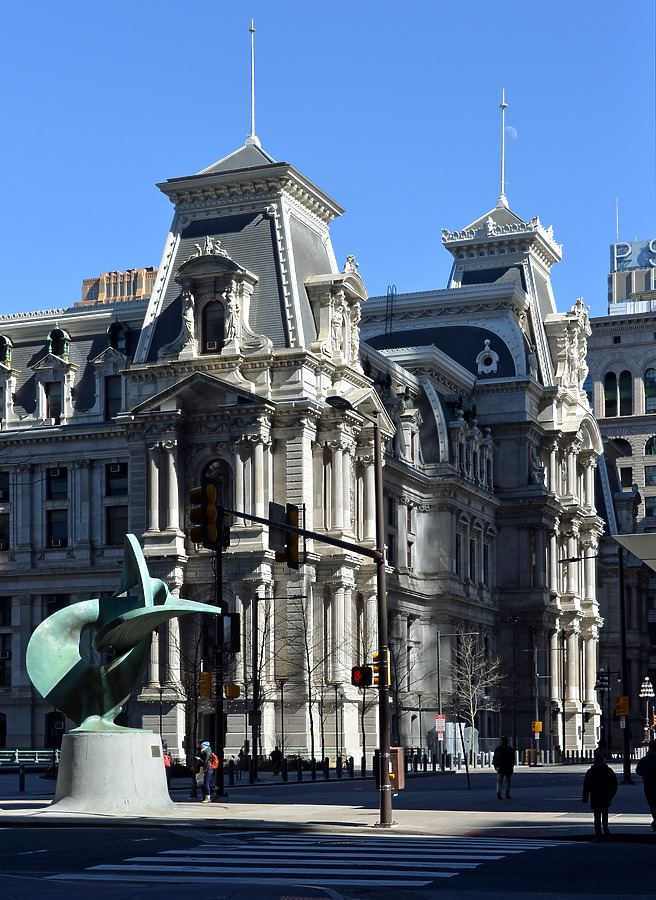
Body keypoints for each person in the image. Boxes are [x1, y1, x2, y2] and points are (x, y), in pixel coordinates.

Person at [582, 751, 618, 841]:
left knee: (597, 816)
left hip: (595, 796)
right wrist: (612, 794)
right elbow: (615, 783)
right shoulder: (608, 771)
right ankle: (606, 830)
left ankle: (598, 835)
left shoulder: (591, 771)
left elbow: (586, 786)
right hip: (606, 795)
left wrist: (585, 798)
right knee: (605, 813)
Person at [636, 738, 656, 831]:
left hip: (649, 785)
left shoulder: (644, 760)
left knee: (652, 804)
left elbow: (638, 771)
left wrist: (647, 772)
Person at [493, 735, 515, 799]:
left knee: (499, 781)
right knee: (507, 781)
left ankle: (498, 792)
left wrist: (495, 766)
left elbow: (495, 758)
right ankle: (507, 794)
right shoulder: (510, 749)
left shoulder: (498, 748)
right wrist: (512, 766)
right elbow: (513, 759)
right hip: (508, 766)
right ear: (507, 741)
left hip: (500, 766)